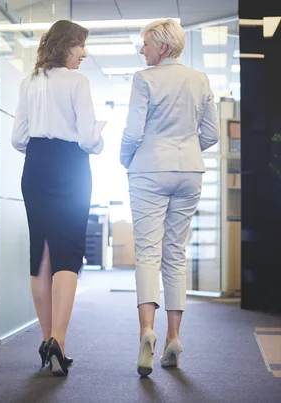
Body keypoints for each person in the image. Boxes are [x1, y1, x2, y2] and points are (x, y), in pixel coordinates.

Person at [120, 19, 220, 377]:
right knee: (175, 253)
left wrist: (126, 159)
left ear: (162, 47)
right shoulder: (200, 80)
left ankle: (147, 331)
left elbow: (133, 131)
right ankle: (173, 339)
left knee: (148, 251)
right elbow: (210, 133)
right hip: (190, 172)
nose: (141, 50)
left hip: (149, 169)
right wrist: (188, 149)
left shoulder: (144, 79)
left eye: (145, 44)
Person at [11, 20, 104, 377]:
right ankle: (59, 343)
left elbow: (19, 138)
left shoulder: (30, 82)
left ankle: (45, 337)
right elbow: (86, 138)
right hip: (70, 166)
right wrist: (99, 138)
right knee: (68, 252)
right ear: (66, 45)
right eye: (81, 45)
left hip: (35, 166)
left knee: (42, 252)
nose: (84, 52)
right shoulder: (78, 82)